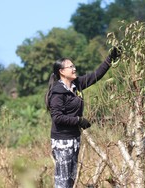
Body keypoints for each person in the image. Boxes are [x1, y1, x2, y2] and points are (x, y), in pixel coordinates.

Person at [45, 47, 121, 188]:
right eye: (70, 67)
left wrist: (110, 59)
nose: (74, 69)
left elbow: (96, 75)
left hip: (74, 139)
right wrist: (78, 120)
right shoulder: (58, 93)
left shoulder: (77, 84)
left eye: (74, 66)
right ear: (62, 71)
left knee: (71, 179)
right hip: (62, 141)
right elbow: (57, 117)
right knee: (62, 182)